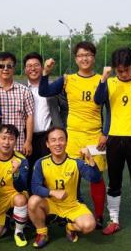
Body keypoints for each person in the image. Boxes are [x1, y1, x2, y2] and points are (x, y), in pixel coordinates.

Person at [39, 41, 108, 228]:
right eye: (81, 55)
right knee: (70, 176)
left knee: (96, 177)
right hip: (73, 135)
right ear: (76, 59)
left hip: (94, 136)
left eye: (88, 55)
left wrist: (105, 133)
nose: (84, 59)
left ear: (94, 57)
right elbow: (44, 91)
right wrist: (46, 72)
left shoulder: (102, 80)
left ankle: (99, 216)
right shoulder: (67, 79)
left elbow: (107, 107)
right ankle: (69, 212)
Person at [94, 48, 131, 240]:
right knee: (114, 182)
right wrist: (104, 78)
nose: (123, 74)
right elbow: (97, 100)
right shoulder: (109, 83)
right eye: (119, 71)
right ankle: (113, 220)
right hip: (114, 139)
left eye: (126, 70)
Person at [27, 127, 102, 248]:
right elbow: (35, 187)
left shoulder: (76, 163)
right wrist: (52, 192)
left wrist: (90, 159)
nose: (57, 143)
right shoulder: (41, 163)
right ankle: (42, 233)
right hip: (51, 204)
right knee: (33, 201)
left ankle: (70, 227)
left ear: (66, 142)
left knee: (89, 226)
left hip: (73, 205)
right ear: (47, 144)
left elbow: (96, 179)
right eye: (53, 140)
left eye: (61, 139)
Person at [0, 124, 30, 246]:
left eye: (11, 139)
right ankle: (9, 219)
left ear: (16, 141)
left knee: (20, 199)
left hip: (14, 195)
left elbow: (22, 187)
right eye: (3, 138)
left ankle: (19, 232)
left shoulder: (21, 160)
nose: (6, 142)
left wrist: (16, 173)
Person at [22, 52, 64, 179]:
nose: (33, 69)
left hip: (47, 137)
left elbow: (65, 108)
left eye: (36, 65)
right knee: (28, 173)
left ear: (42, 67)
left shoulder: (52, 87)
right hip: (26, 138)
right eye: (29, 66)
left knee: (48, 174)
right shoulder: (21, 89)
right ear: (24, 69)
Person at [0, 51, 35, 156]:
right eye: (1, 66)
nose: (5, 69)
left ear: (14, 68)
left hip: (19, 146)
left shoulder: (24, 91)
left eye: (9, 66)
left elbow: (30, 117)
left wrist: (28, 141)